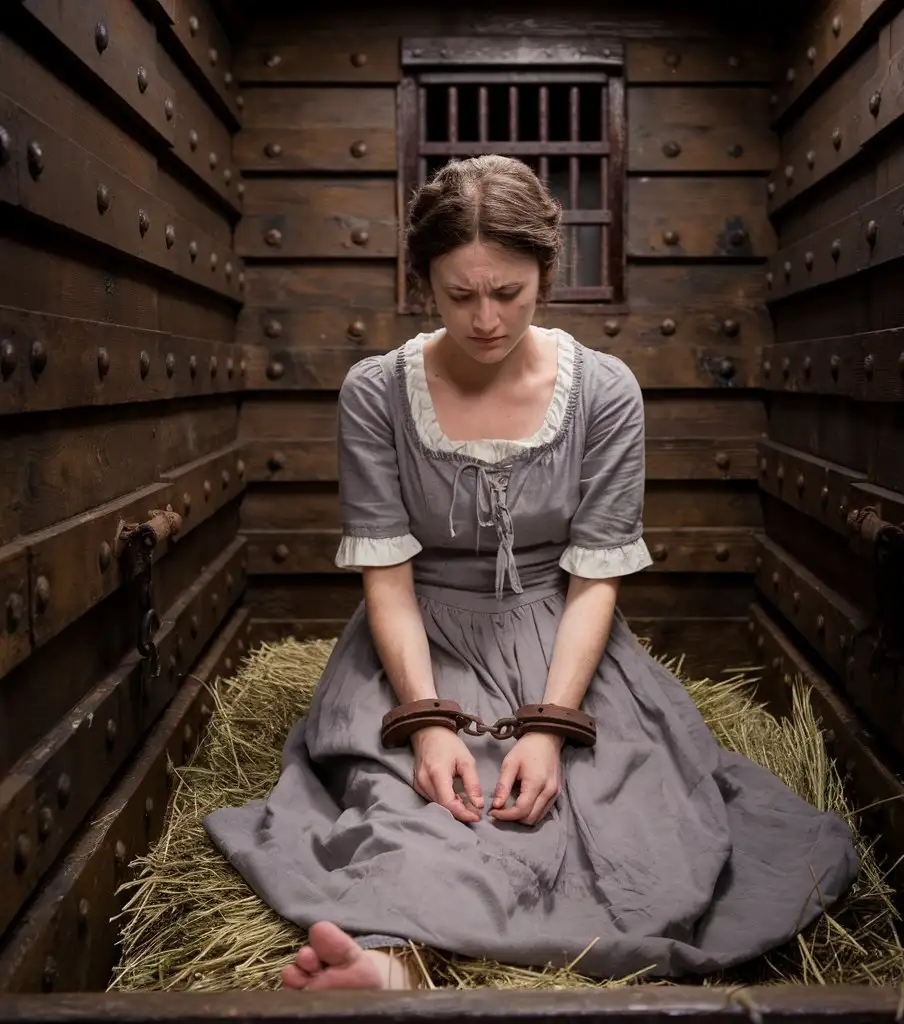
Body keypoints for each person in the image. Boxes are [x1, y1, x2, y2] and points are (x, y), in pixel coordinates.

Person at [203, 155, 859, 992]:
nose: (484, 318)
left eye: (507, 293)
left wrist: (549, 727)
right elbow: (390, 580)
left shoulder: (605, 392)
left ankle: (437, 939)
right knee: (419, 799)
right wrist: (425, 719)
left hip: (563, 638)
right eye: (458, 294)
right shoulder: (376, 393)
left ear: (548, 273)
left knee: (613, 813)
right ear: (423, 284)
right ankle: (390, 959)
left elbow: (594, 579)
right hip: (420, 642)